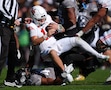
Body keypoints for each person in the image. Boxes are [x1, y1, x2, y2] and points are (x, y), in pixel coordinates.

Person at [26, 5, 110, 84]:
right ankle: (65, 72)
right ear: (34, 18)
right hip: (45, 51)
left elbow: (62, 29)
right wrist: (47, 35)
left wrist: (58, 27)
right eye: (40, 20)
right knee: (52, 52)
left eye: (43, 18)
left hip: (55, 44)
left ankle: (98, 55)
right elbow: (34, 42)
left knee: (75, 39)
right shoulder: (32, 26)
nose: (43, 21)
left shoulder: (47, 18)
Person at [0, 0, 22, 88]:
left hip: (10, 28)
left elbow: (13, 17)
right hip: (3, 27)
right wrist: (12, 19)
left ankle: (10, 79)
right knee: (2, 54)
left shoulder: (14, 2)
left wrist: (22, 20)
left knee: (13, 53)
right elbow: (1, 7)